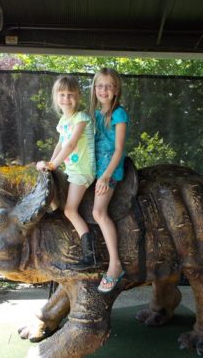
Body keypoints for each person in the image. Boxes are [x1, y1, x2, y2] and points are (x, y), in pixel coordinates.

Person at [36, 75, 97, 270]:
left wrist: (53, 165)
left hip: (83, 170)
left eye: (70, 94)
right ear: (55, 97)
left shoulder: (81, 118)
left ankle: (91, 255)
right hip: (71, 170)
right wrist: (50, 163)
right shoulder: (63, 120)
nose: (66, 98)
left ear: (77, 96)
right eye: (62, 94)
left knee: (70, 209)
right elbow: (61, 143)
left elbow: (70, 145)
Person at [90, 68, 129, 293]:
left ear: (116, 90)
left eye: (109, 86)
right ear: (95, 89)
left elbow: (119, 149)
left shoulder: (119, 114)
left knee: (98, 212)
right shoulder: (94, 114)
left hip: (109, 171)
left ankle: (115, 265)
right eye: (100, 86)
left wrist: (105, 176)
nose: (104, 90)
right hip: (94, 169)